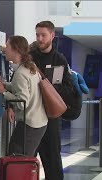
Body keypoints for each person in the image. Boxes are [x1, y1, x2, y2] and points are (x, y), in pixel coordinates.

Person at [30, 21, 73, 180]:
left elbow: (68, 86)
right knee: (27, 158)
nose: (40, 38)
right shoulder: (29, 57)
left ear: (52, 36)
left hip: (50, 117)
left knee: (53, 158)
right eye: (37, 35)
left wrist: (49, 90)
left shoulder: (59, 59)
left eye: (43, 35)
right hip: (31, 115)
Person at [0, 36, 48, 156]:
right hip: (38, 122)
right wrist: (5, 85)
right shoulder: (30, 68)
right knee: (24, 161)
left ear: (16, 50)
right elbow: (24, 89)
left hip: (29, 125)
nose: (4, 49)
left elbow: (22, 102)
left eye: (7, 47)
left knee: (17, 159)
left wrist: (3, 92)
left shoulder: (21, 73)